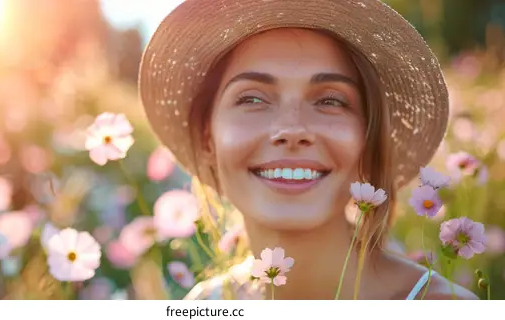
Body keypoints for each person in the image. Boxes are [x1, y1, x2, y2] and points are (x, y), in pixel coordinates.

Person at [138, 0, 478, 300]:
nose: (292, 130)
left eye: (330, 100)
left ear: (368, 138)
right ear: (207, 138)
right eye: (252, 98)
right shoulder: (206, 304)